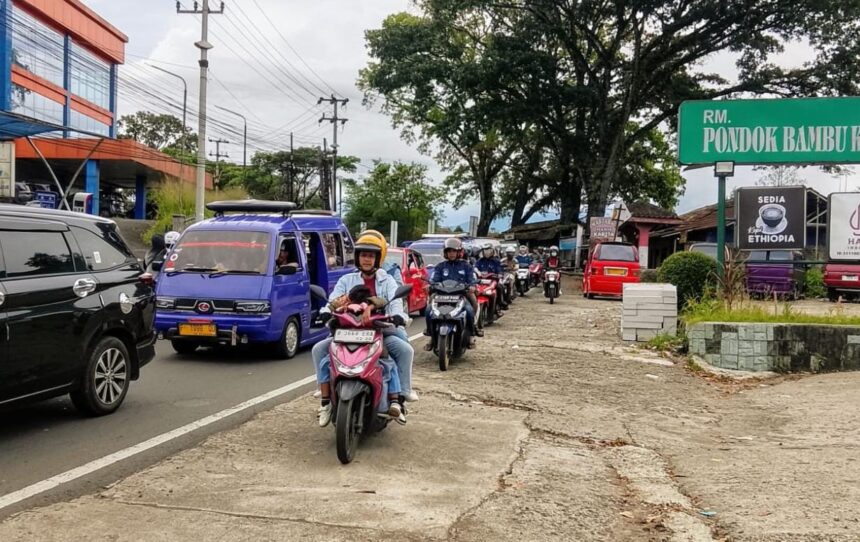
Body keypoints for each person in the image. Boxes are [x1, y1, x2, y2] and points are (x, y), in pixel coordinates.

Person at [313, 233, 415, 427]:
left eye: (371, 256)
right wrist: (325, 312)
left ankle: (401, 397)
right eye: (363, 255)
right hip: (347, 330)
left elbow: (395, 303)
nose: (367, 259)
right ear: (357, 257)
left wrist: (397, 316)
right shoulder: (346, 280)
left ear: (378, 259)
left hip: (378, 332)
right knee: (319, 350)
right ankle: (325, 401)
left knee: (404, 349)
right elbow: (334, 300)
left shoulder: (388, 281)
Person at [424, 238, 480, 350]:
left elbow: (472, 279)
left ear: (459, 252)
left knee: (469, 310)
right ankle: (431, 334)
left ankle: (472, 333)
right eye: (449, 251)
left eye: (454, 251)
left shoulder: (466, 266)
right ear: (445, 253)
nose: (452, 254)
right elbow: (435, 280)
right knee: (429, 310)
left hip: (462, 294)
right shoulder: (440, 266)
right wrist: (430, 286)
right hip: (442, 295)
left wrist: (472, 286)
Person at [475, 242, 506, 311]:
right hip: (481, 281)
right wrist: (477, 272)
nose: (487, 252)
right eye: (485, 250)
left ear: (492, 251)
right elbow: (475, 267)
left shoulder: (496, 261)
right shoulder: (480, 260)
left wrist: (499, 274)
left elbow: (500, 269)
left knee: (500, 287)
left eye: (488, 250)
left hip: (493, 280)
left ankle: (500, 304)